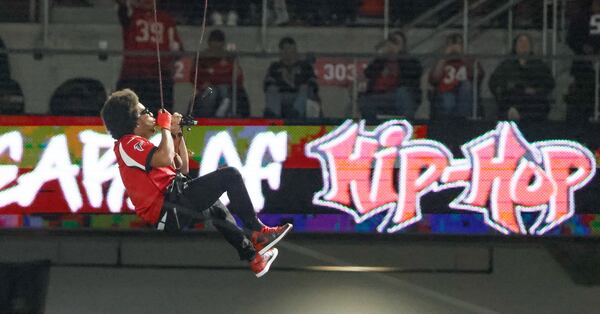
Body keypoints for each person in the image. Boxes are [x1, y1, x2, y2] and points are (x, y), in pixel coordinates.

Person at [100, 89, 292, 277]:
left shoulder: (141, 147)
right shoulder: (128, 143)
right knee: (230, 175)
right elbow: (165, 157)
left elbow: (182, 168)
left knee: (216, 208)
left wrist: (176, 133)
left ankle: (254, 258)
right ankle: (258, 231)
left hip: (174, 203)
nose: (151, 114)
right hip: (168, 208)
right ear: (133, 120)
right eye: (145, 112)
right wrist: (166, 127)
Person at [115, 0, 183, 113]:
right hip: (134, 73)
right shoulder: (131, 13)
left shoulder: (165, 18)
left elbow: (177, 48)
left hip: (158, 76)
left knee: (158, 115)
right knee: (127, 112)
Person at [489, 34, 555, 121]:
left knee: (537, 104)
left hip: (533, 100)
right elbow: (494, 82)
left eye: (526, 43)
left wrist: (536, 90)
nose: (524, 45)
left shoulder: (539, 65)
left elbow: (549, 83)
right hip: (513, 98)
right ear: (515, 46)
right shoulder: (506, 65)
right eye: (521, 43)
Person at [359, 32, 422, 121]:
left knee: (402, 94)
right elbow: (368, 73)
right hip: (381, 96)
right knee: (365, 101)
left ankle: (407, 126)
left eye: (396, 43)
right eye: (391, 42)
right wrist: (383, 56)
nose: (392, 45)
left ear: (403, 46)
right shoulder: (381, 60)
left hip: (399, 96)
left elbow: (414, 73)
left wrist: (398, 55)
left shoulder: (410, 61)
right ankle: (372, 128)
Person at [192, 29, 248, 117]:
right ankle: (205, 119)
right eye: (213, 41)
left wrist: (215, 77)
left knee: (224, 91)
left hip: (225, 89)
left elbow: (238, 78)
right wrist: (203, 84)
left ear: (222, 44)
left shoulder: (229, 58)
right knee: (211, 92)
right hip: (206, 91)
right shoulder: (202, 58)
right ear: (209, 42)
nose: (215, 44)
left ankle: (221, 117)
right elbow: (194, 76)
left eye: (218, 41)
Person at [428, 33, 484, 120]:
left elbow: (478, 75)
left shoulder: (470, 60)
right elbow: (434, 79)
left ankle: (462, 120)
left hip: (465, 95)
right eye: (450, 44)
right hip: (445, 93)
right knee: (448, 99)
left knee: (466, 85)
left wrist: (462, 56)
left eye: (458, 44)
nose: (454, 47)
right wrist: (444, 58)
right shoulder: (442, 62)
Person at [263, 37, 319, 118]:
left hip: (300, 97)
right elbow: (267, 84)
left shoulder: (305, 66)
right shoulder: (274, 67)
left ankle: (295, 115)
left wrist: (306, 86)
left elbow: (313, 84)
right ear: (281, 51)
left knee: (305, 89)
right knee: (272, 90)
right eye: (287, 50)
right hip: (281, 96)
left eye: (292, 50)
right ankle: (274, 117)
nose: (290, 53)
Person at [565, 0, 600, 122]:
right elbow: (571, 38)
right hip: (584, 68)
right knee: (584, 96)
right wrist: (583, 48)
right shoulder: (581, 16)